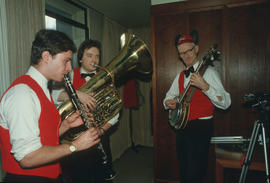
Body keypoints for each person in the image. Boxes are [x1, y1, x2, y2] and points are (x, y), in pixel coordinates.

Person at [0, 29, 101, 182]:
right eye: (65, 61)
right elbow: (27, 157)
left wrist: (66, 125)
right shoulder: (22, 94)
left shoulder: (41, 88)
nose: (69, 68)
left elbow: (42, 138)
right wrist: (74, 146)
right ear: (46, 57)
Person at [163, 31, 231, 183]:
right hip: (182, 128)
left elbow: (226, 103)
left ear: (197, 49)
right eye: (182, 53)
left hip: (201, 128)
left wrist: (205, 87)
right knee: (184, 171)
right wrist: (168, 103)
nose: (186, 55)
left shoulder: (210, 73)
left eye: (189, 51)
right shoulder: (180, 75)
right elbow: (167, 97)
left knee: (196, 173)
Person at [52, 39, 119, 183]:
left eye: (97, 56)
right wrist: (77, 95)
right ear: (81, 58)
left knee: (102, 178)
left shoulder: (105, 77)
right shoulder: (69, 74)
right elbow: (54, 94)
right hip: (76, 138)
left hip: (99, 134)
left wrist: (102, 129)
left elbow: (116, 111)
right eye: (90, 55)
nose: (94, 59)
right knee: (80, 178)